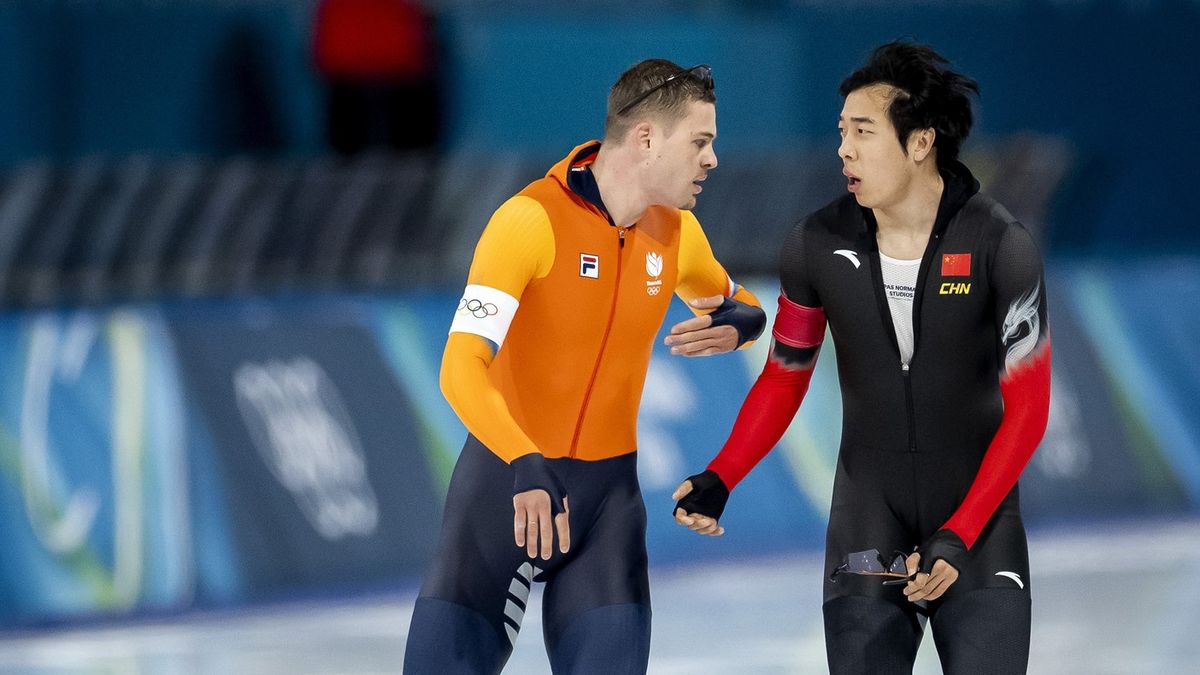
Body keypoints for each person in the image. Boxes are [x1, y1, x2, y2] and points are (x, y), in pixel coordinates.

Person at [672, 41, 1051, 674]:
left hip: (978, 527)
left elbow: (1029, 410)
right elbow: (785, 374)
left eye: (864, 132)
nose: (844, 148)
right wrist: (722, 475)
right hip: (867, 521)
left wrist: (959, 535)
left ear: (921, 142)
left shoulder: (1000, 246)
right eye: (841, 131)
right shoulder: (816, 244)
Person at [403, 59, 766, 675]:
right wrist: (522, 460)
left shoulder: (676, 234)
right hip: (508, 490)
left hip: (606, 511)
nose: (712, 160)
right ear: (647, 137)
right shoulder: (528, 222)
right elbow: (460, 366)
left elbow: (743, 302)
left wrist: (740, 326)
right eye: (700, 143)